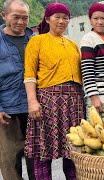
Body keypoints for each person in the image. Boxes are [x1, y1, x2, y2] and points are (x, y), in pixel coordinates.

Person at [24, 3, 84, 179]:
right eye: (57, 17)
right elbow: (29, 75)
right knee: (44, 151)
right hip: (48, 101)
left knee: (74, 150)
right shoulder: (37, 41)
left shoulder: (73, 45)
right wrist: (32, 101)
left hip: (74, 102)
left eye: (65, 18)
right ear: (48, 19)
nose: (61, 21)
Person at [0, 0, 34, 179]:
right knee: (10, 162)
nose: (21, 22)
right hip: (7, 111)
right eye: (16, 17)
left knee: (36, 158)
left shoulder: (34, 40)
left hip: (33, 108)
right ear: (4, 15)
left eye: (25, 18)